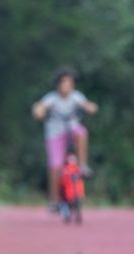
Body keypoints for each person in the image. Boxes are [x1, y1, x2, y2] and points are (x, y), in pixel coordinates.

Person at [32, 67, 98, 212]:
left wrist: (91, 108)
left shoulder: (76, 97)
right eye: (64, 83)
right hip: (55, 135)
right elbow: (40, 108)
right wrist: (39, 112)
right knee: (55, 167)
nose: (67, 86)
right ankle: (54, 200)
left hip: (71, 131)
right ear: (58, 84)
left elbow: (88, 106)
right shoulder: (52, 98)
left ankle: (82, 165)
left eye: (70, 83)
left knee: (82, 132)